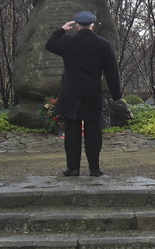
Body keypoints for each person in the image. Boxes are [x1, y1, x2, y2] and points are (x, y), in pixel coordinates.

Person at [45, 11, 122, 177]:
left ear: (77, 26)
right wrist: (116, 94)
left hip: (71, 92)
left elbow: (50, 44)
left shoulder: (68, 41)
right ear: (92, 26)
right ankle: (94, 168)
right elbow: (111, 72)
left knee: (72, 132)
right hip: (91, 93)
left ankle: (73, 168)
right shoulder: (103, 44)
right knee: (93, 130)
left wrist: (62, 29)